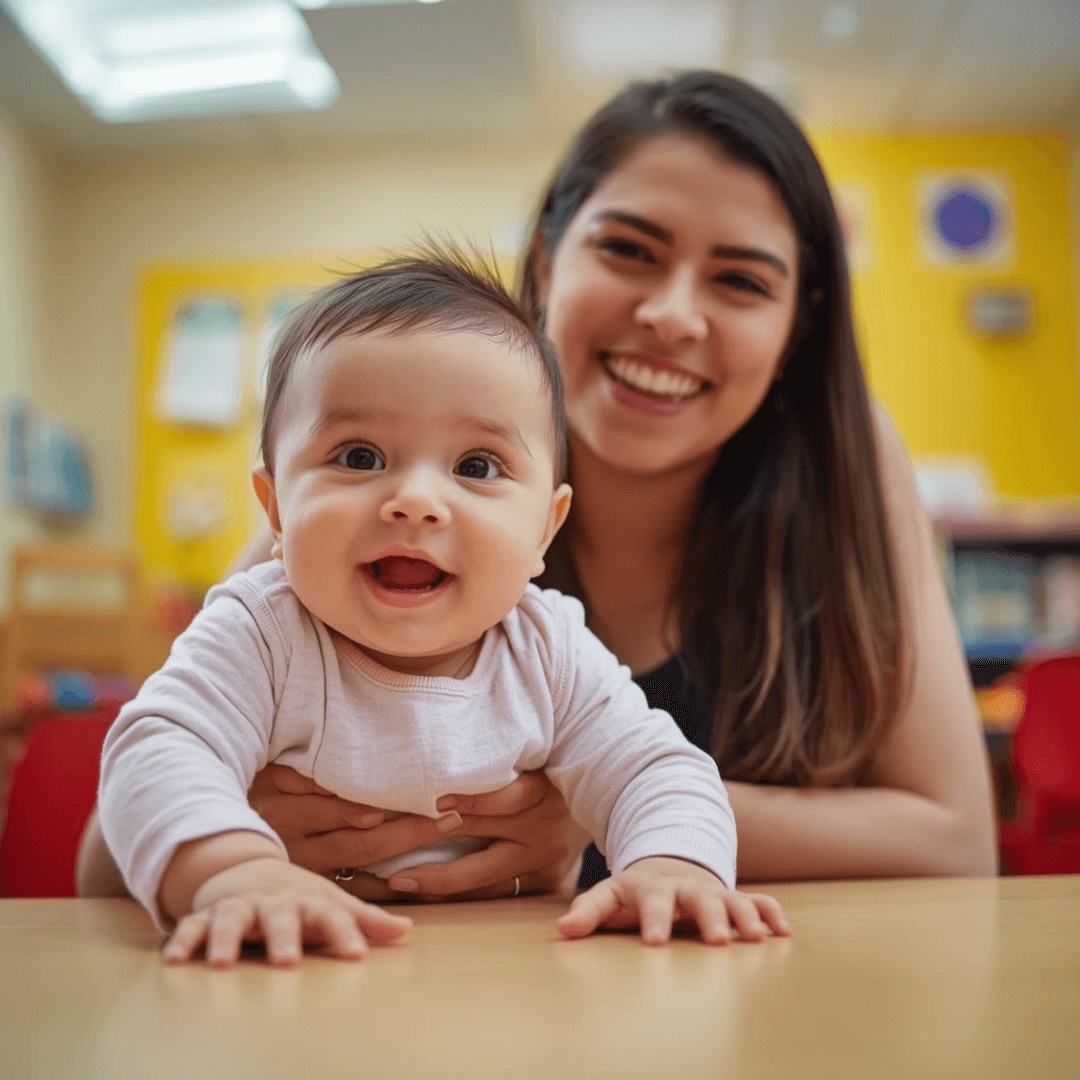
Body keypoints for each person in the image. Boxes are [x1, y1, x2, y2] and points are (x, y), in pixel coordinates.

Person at [80, 70, 996, 905]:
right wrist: (233, 845)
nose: (672, 315)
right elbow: (103, 851)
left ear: (799, 324)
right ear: (549, 261)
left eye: (741, 280)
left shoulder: (559, 633)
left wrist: (602, 816)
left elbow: (956, 844)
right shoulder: (298, 582)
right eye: (631, 249)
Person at [97, 253, 789, 966]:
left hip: (500, 978)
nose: (417, 500)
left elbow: (656, 768)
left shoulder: (547, 650)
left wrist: (673, 866)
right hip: (297, 968)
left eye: (477, 467)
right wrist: (235, 872)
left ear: (543, 531)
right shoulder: (261, 633)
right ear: (275, 508)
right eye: (360, 456)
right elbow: (158, 749)